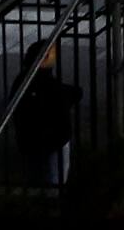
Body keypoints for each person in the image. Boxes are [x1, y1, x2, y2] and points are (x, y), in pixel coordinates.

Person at [9, 44, 80, 188]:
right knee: (54, 180)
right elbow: (66, 96)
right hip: (53, 140)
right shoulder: (45, 83)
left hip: (31, 140)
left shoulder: (23, 80)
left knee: (36, 176)